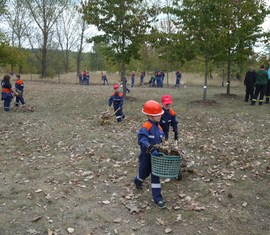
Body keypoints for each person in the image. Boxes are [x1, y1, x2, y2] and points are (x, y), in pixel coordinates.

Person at [133, 100, 166, 208]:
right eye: (158, 115)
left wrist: (165, 148)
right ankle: (138, 181)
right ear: (150, 115)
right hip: (146, 156)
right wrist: (150, 148)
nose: (160, 116)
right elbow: (142, 140)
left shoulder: (159, 128)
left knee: (155, 176)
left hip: (156, 158)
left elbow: (162, 141)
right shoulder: (146, 126)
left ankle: (158, 198)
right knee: (144, 173)